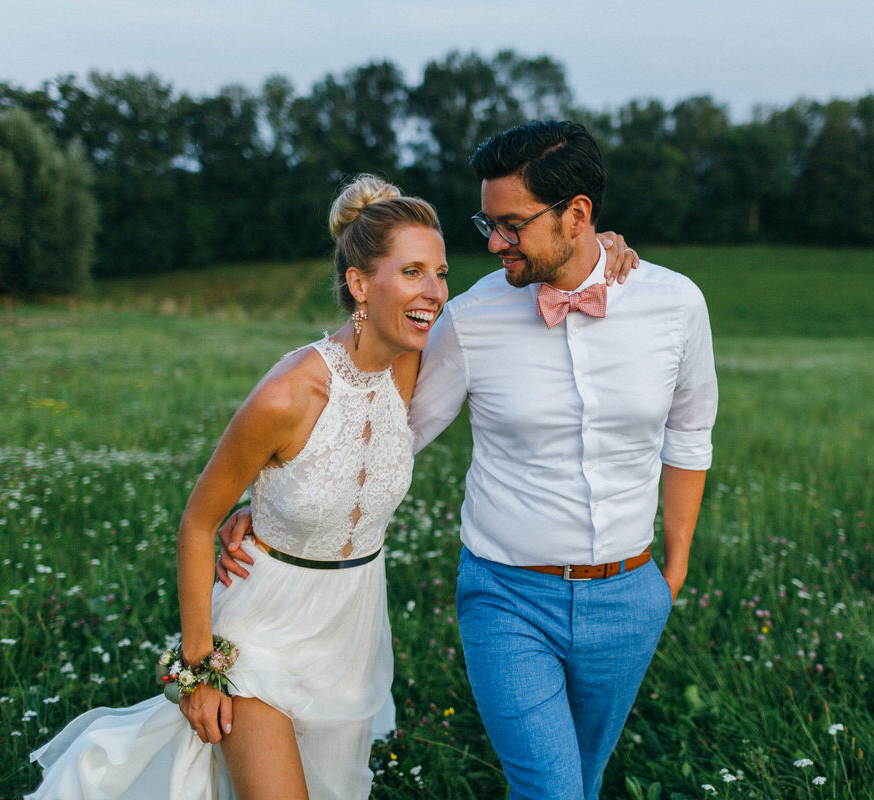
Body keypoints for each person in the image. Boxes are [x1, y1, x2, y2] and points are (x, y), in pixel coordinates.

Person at [28, 173, 636, 800]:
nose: (435, 293)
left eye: (441, 273)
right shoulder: (288, 393)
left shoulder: (412, 358)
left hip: (349, 636)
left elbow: (543, 272)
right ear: (358, 283)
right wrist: (198, 669)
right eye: (412, 273)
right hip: (261, 632)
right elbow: (197, 525)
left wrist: (602, 246)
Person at [221, 121, 717, 800]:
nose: (491, 241)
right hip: (506, 596)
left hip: (629, 597)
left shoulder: (676, 305)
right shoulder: (471, 318)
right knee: (551, 790)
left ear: (578, 215)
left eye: (511, 224)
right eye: (487, 221)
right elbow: (392, 433)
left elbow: (690, 435)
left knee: (583, 780)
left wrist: (673, 570)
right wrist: (274, 503)